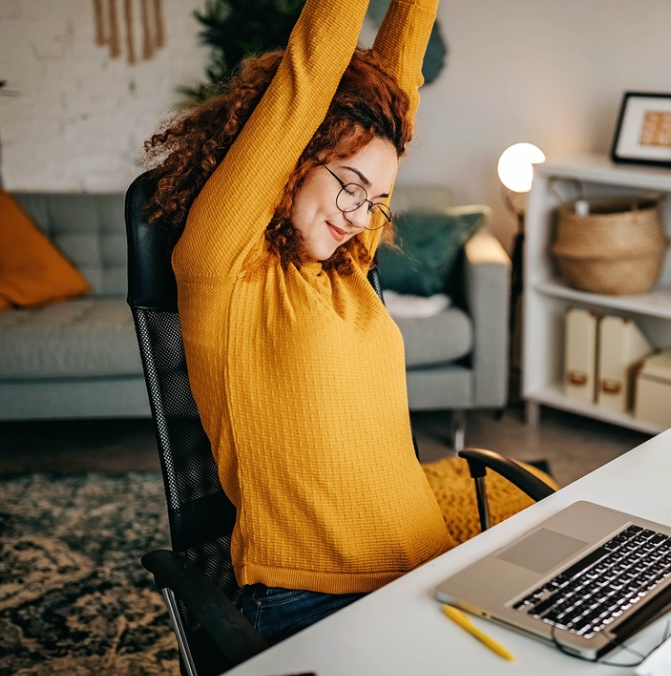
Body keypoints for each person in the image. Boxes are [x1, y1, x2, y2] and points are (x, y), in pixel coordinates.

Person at [140, 0, 447, 644]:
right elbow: (307, 82)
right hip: (313, 600)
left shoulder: (345, 264)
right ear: (297, 158)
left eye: (376, 202)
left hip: (436, 573)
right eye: (350, 186)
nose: (360, 216)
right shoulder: (222, 265)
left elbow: (399, 90)